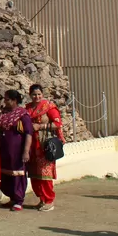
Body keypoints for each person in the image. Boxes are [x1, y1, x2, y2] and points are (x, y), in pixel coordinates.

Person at [26, 84, 66, 212]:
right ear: (30, 95)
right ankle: (42, 199)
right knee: (34, 174)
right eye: (34, 94)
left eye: (38, 94)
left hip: (44, 145)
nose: (36, 97)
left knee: (45, 173)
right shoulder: (27, 108)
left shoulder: (48, 107)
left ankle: (49, 200)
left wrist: (40, 126)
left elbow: (58, 123)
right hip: (31, 144)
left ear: (42, 94)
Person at [0, 89, 33, 212]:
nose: (5, 102)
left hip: (17, 151)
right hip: (4, 150)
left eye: (7, 99)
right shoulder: (3, 113)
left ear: (14, 100)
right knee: (6, 175)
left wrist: (26, 151)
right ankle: (11, 197)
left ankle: (18, 200)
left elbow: (29, 133)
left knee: (17, 174)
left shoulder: (23, 115)